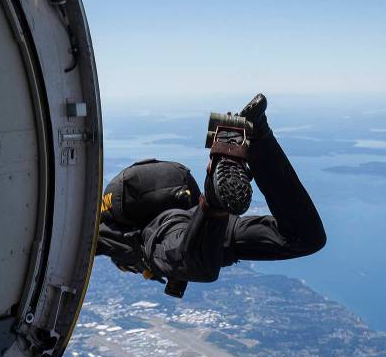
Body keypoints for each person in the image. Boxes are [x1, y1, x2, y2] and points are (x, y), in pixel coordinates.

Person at [96, 94, 326, 293]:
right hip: (191, 214)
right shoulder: (104, 232)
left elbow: (67, 243)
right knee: (305, 238)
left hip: (172, 223)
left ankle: (216, 195)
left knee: (198, 266)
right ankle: (255, 137)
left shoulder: (115, 238)